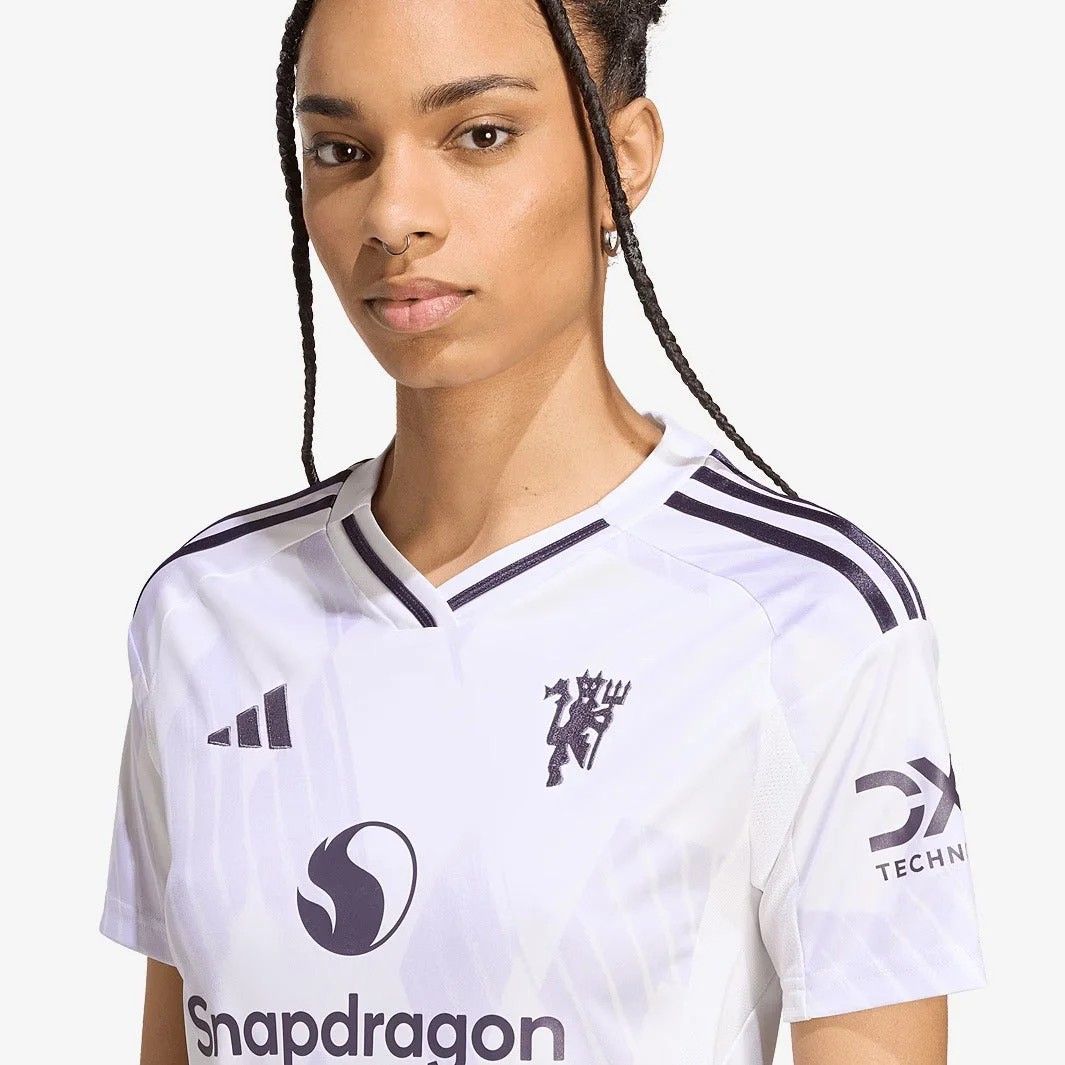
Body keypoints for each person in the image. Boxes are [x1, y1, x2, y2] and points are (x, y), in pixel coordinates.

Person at [97, 1, 986, 1062]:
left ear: (622, 159)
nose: (394, 214)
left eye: (479, 135)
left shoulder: (806, 621)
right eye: (341, 150)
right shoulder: (205, 611)